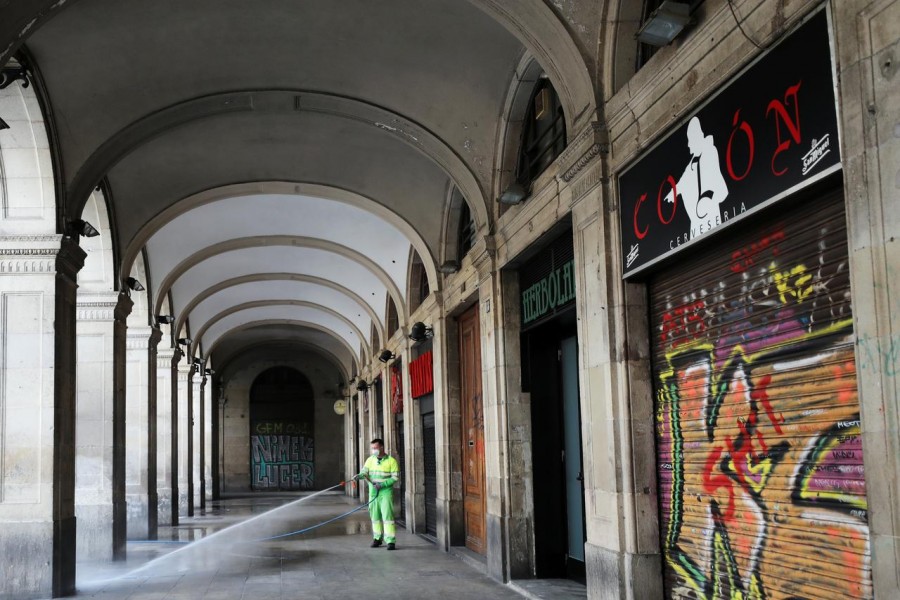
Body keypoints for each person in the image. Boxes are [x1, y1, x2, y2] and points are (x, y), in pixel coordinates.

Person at [665, 116, 729, 239]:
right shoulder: (692, 163)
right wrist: (673, 192)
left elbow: (719, 185)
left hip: (708, 217)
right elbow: (683, 181)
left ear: (698, 136)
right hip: (696, 224)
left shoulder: (709, 151)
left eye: (691, 140)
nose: (688, 145)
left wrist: (709, 201)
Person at [353, 438, 400, 550]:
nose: (373, 450)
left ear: (382, 447)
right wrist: (358, 476)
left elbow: (395, 477)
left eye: (375, 448)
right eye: (372, 448)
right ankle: (377, 538)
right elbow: (364, 472)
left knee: (387, 516)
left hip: (386, 493)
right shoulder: (370, 460)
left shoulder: (391, 461)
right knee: (375, 517)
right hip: (373, 493)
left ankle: (390, 541)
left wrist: (382, 485)